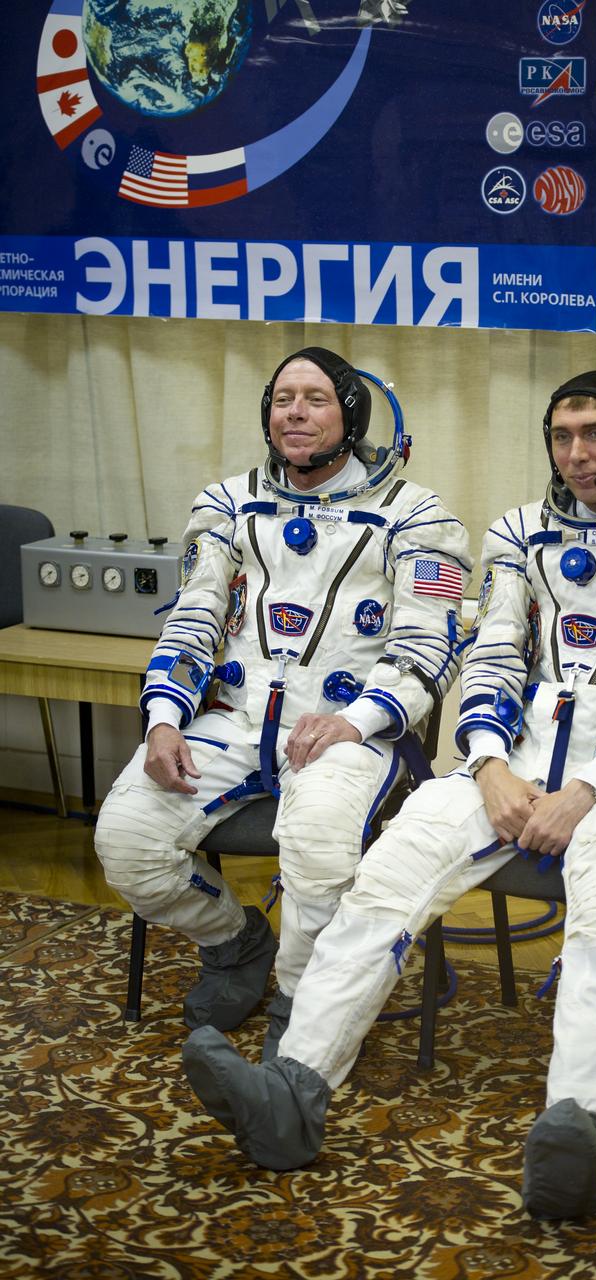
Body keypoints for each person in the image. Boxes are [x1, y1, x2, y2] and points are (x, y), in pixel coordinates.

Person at [181, 370, 596, 1219]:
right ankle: (293, 1091)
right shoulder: (520, 533)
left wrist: (586, 790)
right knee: (383, 882)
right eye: (561, 435)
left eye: (595, 433)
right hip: (509, 764)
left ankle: (573, 1127)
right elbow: (490, 655)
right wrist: (488, 766)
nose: (575, 452)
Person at [94, 347, 471, 1047]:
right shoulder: (227, 505)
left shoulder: (416, 517)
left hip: (346, 729)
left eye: (316, 399)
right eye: (282, 398)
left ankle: (304, 1007)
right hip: (234, 720)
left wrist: (357, 721)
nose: (294, 412)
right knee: (124, 842)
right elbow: (192, 621)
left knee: (319, 851)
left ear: (351, 415)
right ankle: (236, 944)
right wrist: (163, 720)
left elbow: (428, 650)